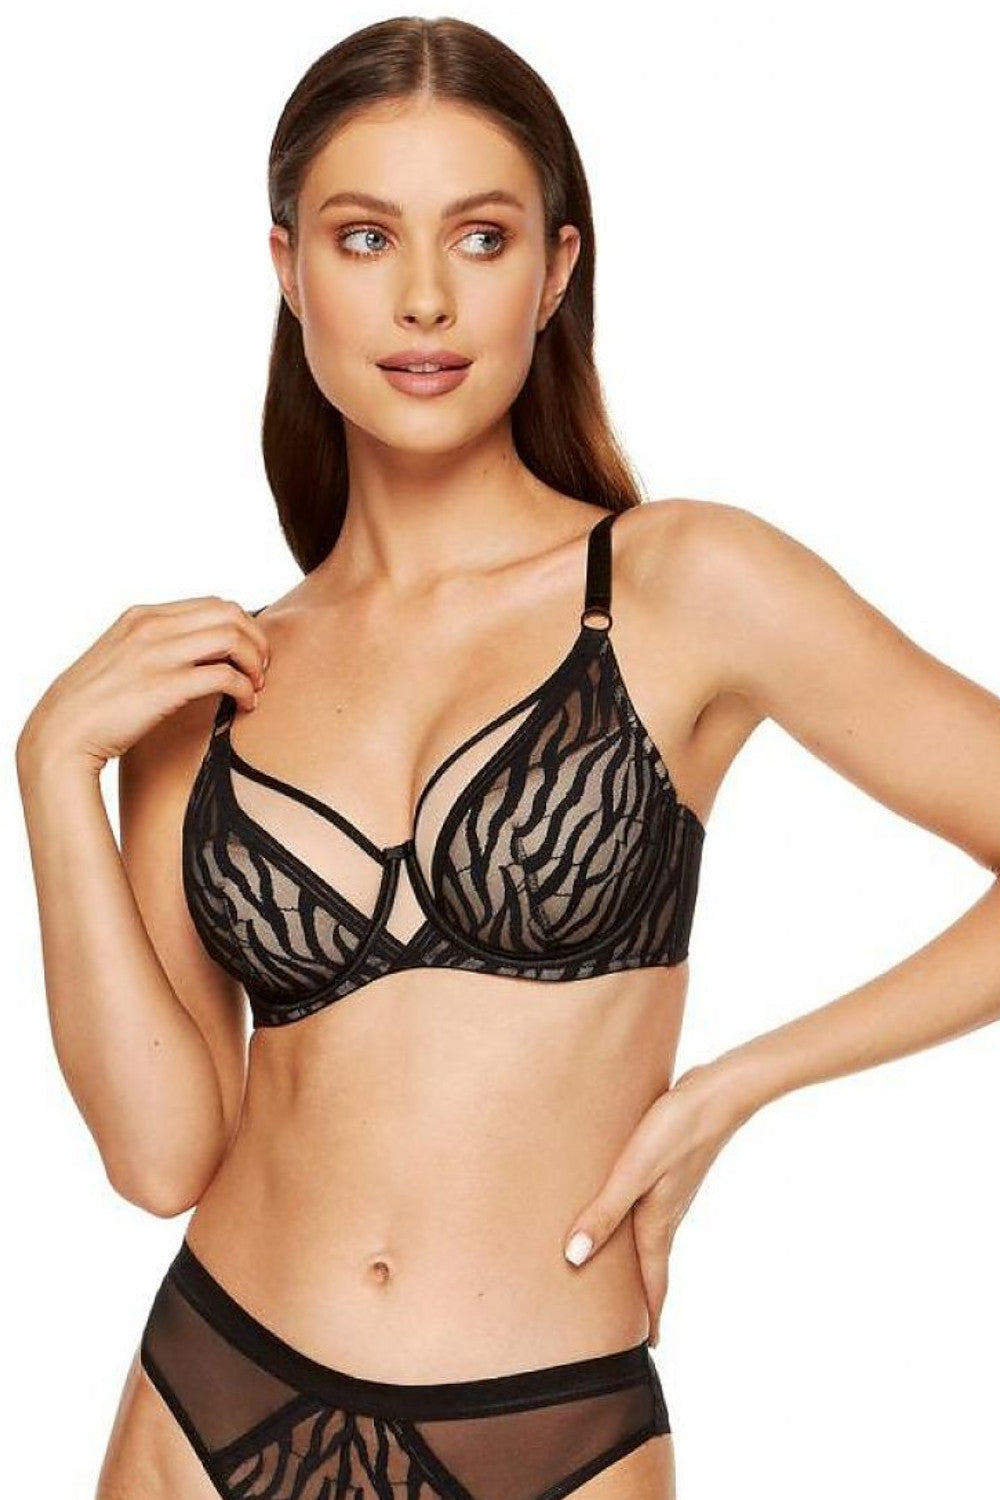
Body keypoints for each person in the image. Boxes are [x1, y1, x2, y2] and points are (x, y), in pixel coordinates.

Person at [15, 17, 1000, 1500]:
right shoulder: (205, 688)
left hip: (548, 1429)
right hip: (206, 1395)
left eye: (480, 237)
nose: (423, 297)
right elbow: (161, 1160)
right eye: (363, 239)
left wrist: (733, 1087)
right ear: (288, 269)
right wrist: (48, 773)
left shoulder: (682, 585)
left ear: (554, 271)